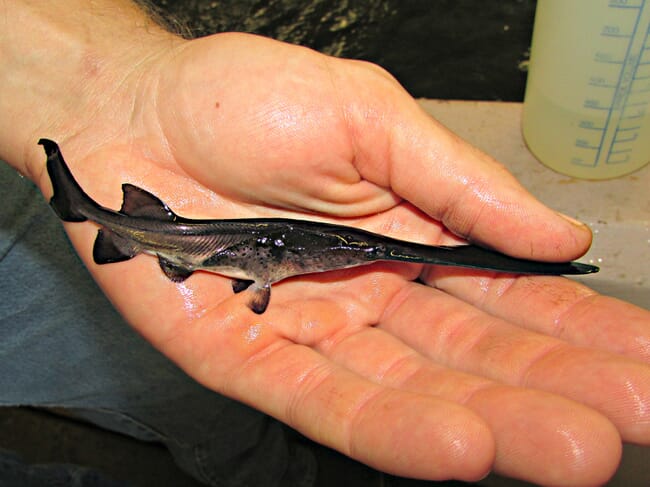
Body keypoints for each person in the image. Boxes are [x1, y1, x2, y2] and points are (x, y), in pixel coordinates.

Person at [1, 1, 648, 486]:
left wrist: (99, 89)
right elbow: (252, 273)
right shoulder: (272, 258)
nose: (363, 253)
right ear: (294, 258)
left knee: (182, 401)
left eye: (361, 252)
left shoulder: (285, 258)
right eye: (354, 251)